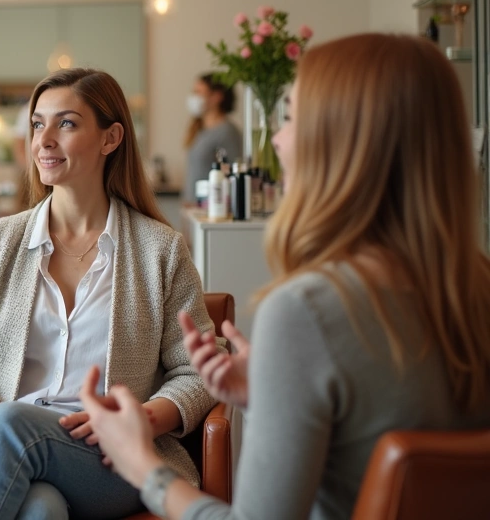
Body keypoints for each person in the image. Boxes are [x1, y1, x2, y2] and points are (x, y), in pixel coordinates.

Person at [79, 33, 490, 520]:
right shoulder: (476, 288)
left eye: (291, 118)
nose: (276, 139)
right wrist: (272, 395)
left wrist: (140, 464)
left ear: (344, 143)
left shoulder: (308, 312)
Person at [0, 68, 218, 519]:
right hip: (2, 444)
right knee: (40, 509)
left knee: (12, 428)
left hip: (112, 460)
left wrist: (141, 420)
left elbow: (197, 372)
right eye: (37, 124)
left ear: (111, 138)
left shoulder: (160, 250)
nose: (44, 141)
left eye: (65, 123)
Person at [182, 74, 242, 205]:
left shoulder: (227, 132)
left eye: (198, 92)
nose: (194, 97)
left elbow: (233, 173)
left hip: (211, 207)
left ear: (216, 96)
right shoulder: (199, 128)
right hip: (193, 206)